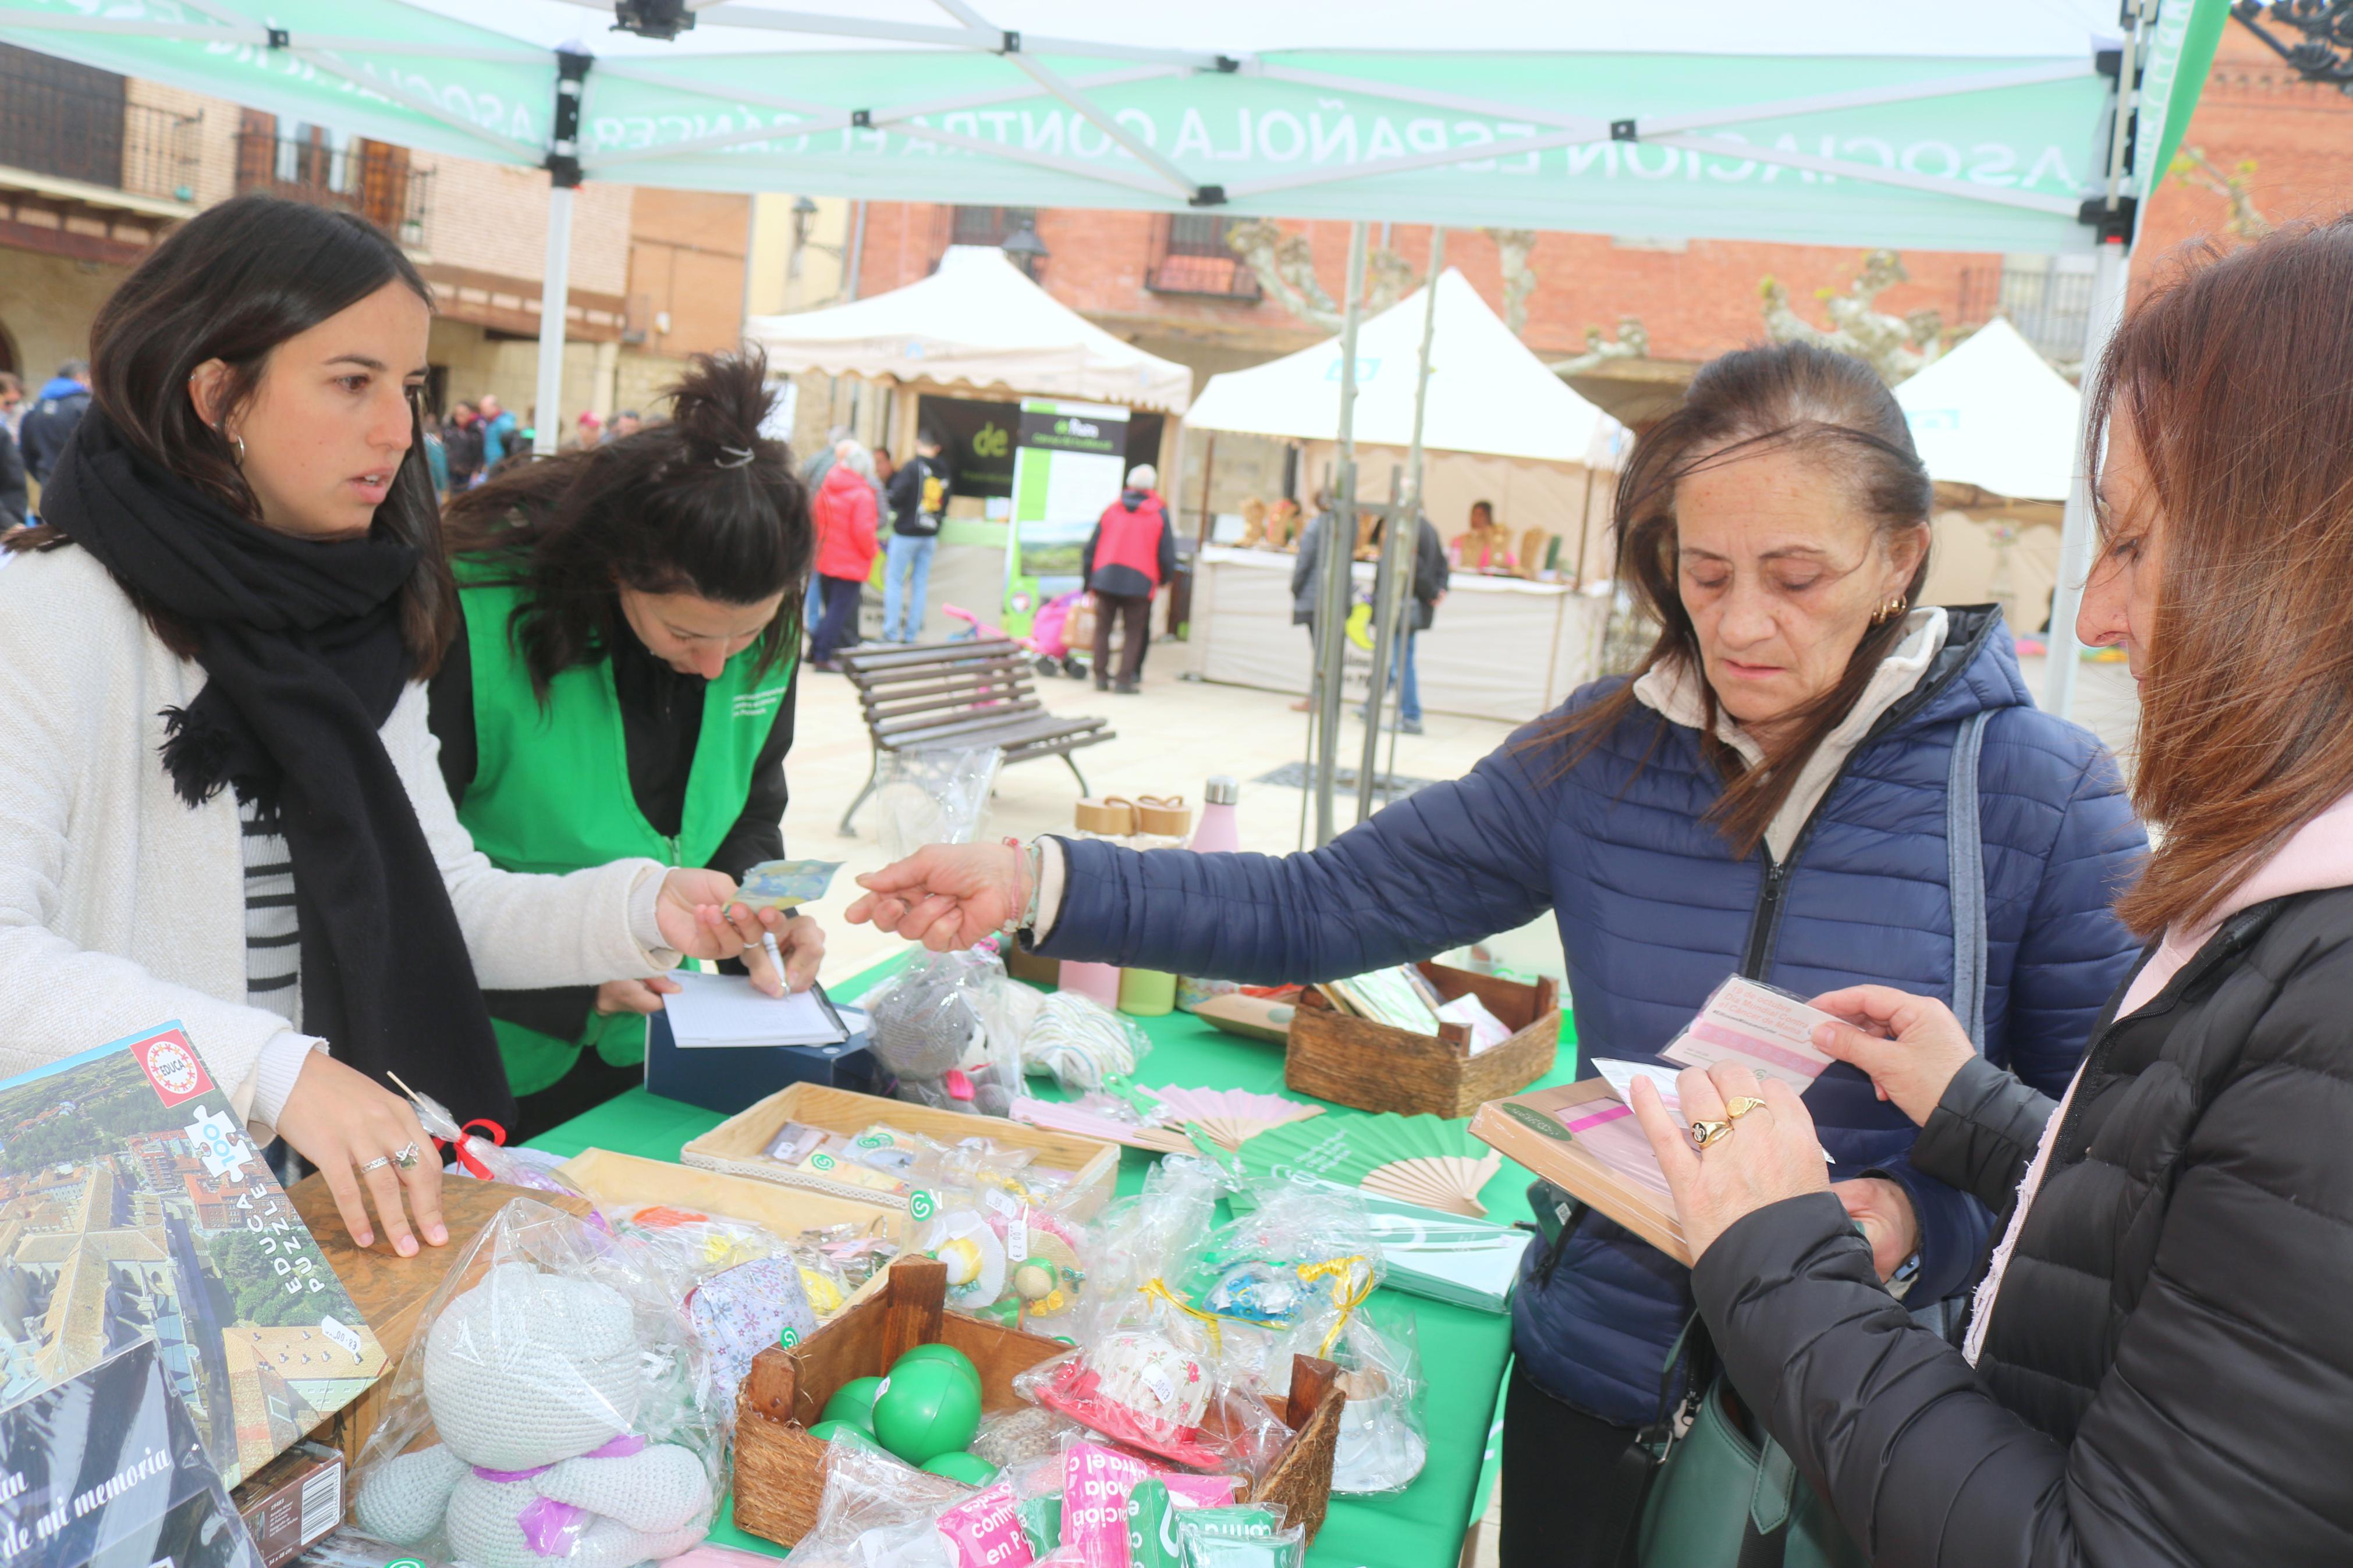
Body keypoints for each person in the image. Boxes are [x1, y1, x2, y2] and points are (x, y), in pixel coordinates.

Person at [845, 340, 2148, 1568]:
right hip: (1598, 1373)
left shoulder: (2033, 795)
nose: (1740, 624)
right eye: (1703, 575)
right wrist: (1038, 877)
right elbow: (1318, 907)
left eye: (1794, 577)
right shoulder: (1600, 754)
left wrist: (1922, 1219)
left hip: (1864, 1419)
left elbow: (2099, 1170)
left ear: (1896, 558)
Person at [0, 194, 781, 1257]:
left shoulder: (359, 624)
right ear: (217, 393)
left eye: (407, 388)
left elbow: (438, 900)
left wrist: (645, 909)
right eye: (351, 382)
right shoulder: (47, 614)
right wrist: (274, 1069)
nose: (396, 430)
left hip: (310, 1215)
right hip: (107, 1239)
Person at [434, 351, 821, 1137]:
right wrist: (572, 983)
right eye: (684, 632)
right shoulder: (471, 620)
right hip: (479, 1058)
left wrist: (762, 910)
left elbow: (752, 803)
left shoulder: (760, 617)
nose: (716, 664)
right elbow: (399, 884)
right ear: (615, 572)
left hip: (650, 1054)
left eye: (744, 635)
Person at [1081, 464, 1174, 695]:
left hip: (1106, 576)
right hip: (1141, 580)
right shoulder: (1159, 513)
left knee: (1103, 628)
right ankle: (1124, 680)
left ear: (1130, 484)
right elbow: (1167, 553)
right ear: (1152, 486)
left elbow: (1091, 547)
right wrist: (1165, 579)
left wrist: (1088, 580)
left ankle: (1100, 676)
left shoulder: (1112, 510)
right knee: (1134, 631)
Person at [1360, 510, 1449, 734]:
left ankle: (1411, 716)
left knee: (1400, 662)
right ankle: (1370, 707)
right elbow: (1442, 563)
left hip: (1402, 606)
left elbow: (1411, 566)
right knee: (1396, 659)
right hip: (1409, 606)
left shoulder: (1408, 528)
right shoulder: (1429, 527)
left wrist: (1432, 591)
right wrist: (1439, 589)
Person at [807, 438, 879, 671]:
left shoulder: (827, 488)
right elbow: (863, 532)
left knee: (830, 611)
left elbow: (816, 520)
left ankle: (814, 650)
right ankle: (822, 656)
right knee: (838, 613)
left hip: (826, 558)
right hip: (850, 563)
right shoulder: (863, 495)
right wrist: (872, 552)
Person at [882, 430, 949, 643]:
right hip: (930, 535)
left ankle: (891, 633)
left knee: (894, 581)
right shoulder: (945, 471)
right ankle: (911, 635)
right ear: (937, 448)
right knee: (919, 584)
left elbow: (897, 497)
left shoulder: (912, 467)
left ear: (917, 443)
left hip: (907, 532)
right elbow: (945, 503)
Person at [18, 359, 92, 486]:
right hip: (84, 486)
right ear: (80, 377)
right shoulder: (86, 406)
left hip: (50, 485)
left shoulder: (35, 409)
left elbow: (27, 453)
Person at [442, 401, 485, 491]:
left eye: (462, 415)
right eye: (457, 415)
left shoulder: (476, 431)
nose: (459, 418)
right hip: (450, 470)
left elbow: (479, 452)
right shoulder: (449, 428)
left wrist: (477, 470)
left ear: (469, 414)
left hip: (467, 471)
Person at [477, 392, 518, 470]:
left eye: (484, 410)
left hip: (501, 467)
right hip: (491, 465)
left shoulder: (505, 424)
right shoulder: (489, 422)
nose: (482, 414)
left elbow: (510, 447)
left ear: (494, 407)